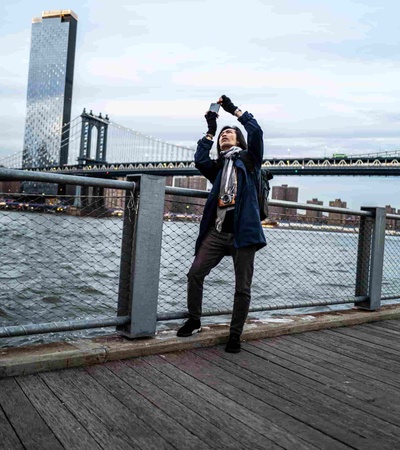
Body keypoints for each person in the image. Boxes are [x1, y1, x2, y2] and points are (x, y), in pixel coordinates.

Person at [177, 95, 266, 353]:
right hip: (217, 233)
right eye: (222, 135)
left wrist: (233, 111)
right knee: (195, 274)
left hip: (243, 235)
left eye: (230, 133)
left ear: (239, 139)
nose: (225, 135)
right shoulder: (217, 167)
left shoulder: (249, 161)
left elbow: (257, 130)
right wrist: (210, 130)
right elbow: (199, 160)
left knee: (242, 288)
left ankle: (235, 335)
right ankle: (194, 320)